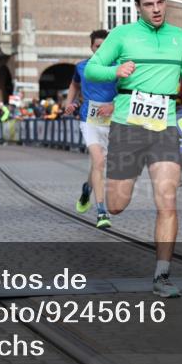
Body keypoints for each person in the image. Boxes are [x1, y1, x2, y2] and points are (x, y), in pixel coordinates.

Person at [85, 0, 182, 297]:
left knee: (168, 201)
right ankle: (104, 188)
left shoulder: (178, 36)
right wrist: (114, 71)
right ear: (138, 6)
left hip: (164, 125)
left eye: (161, 2)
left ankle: (162, 277)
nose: (157, 9)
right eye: (149, 4)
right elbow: (93, 68)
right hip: (128, 125)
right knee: (117, 204)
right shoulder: (121, 35)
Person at [64, 29, 117, 229]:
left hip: (113, 121)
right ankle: (101, 211)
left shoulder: (117, 68)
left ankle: (87, 188)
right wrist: (69, 104)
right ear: (91, 47)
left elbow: (126, 92)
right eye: (97, 47)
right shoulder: (82, 67)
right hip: (90, 120)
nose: (101, 50)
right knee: (99, 160)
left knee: (100, 165)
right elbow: (74, 85)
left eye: (105, 47)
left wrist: (113, 105)